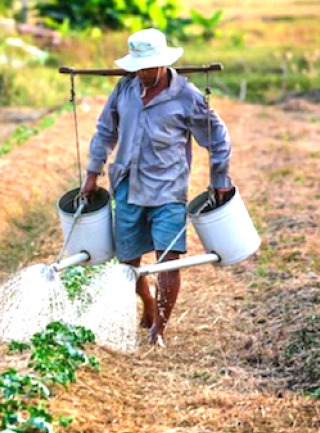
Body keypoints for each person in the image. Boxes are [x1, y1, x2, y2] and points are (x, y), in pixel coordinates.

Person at [80, 28, 233, 347]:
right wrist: (92, 173)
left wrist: (220, 179)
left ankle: (158, 331)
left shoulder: (187, 97)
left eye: (150, 66)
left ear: (164, 63)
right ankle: (148, 303)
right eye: (139, 67)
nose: (144, 73)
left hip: (168, 191)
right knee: (128, 264)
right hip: (127, 187)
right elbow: (105, 131)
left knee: (169, 260)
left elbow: (218, 138)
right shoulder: (124, 89)